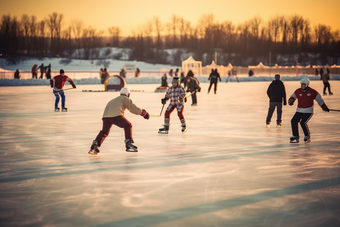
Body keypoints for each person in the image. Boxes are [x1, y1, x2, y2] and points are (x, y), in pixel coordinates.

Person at [88, 88, 150, 155]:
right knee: (128, 125)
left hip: (105, 117)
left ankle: (95, 145)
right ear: (128, 94)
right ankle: (128, 143)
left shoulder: (113, 100)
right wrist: (143, 113)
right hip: (116, 116)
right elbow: (132, 108)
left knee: (104, 132)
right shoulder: (124, 98)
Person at [288, 77, 329, 143]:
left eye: (303, 84)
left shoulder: (312, 92)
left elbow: (319, 99)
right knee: (293, 121)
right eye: (301, 84)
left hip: (308, 111)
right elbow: (292, 97)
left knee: (303, 122)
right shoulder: (298, 91)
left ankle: (307, 136)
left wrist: (324, 107)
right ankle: (295, 135)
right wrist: (291, 101)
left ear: (307, 85)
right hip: (299, 110)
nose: (302, 85)